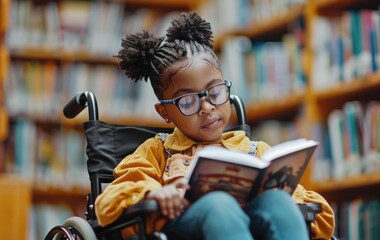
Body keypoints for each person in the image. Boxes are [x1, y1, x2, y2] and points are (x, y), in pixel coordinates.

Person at [95, 11, 335, 240]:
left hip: (256, 223)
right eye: (188, 101)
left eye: (216, 92)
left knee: (279, 202)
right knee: (218, 204)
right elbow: (108, 202)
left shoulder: (256, 152)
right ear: (165, 113)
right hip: (186, 227)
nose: (207, 107)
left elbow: (322, 218)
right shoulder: (157, 152)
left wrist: (284, 194)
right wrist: (155, 193)